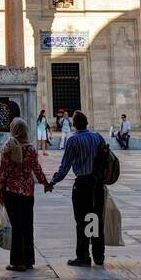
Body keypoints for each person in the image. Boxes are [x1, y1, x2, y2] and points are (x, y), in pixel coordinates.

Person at [50, 110, 108, 268]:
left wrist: (52, 182)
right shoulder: (97, 137)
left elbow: (65, 166)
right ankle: (99, 255)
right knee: (95, 218)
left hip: (82, 184)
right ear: (87, 122)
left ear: (73, 124)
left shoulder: (73, 140)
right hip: (96, 184)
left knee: (82, 220)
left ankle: (83, 256)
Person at [0, 116, 52, 272]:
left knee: (16, 226)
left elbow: (3, 171)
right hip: (27, 194)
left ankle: (17, 262)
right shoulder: (31, 148)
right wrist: (46, 183)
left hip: (11, 192)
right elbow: (37, 169)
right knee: (27, 226)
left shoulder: (8, 146)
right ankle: (28, 260)